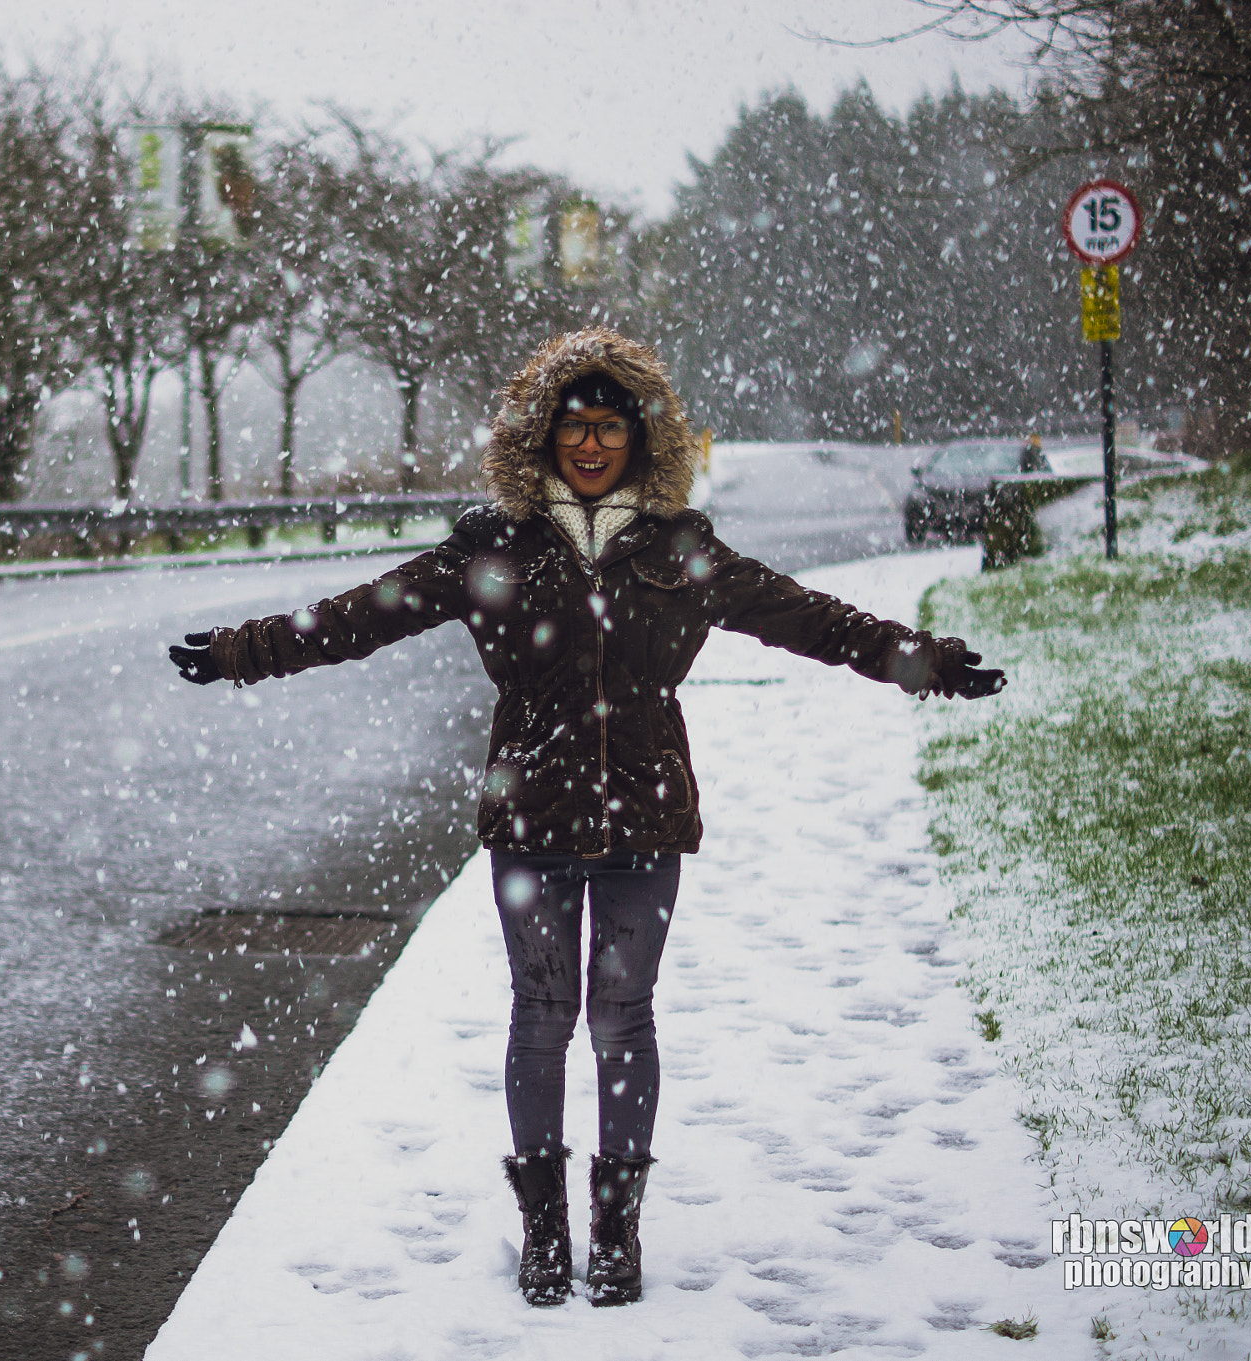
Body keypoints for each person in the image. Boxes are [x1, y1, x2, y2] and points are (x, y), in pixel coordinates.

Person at [166, 327, 1005, 1309]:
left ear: (640, 437)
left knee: (621, 1016)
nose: (593, 445)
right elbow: (366, 613)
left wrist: (926, 664)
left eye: (610, 427)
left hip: (646, 814)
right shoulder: (492, 545)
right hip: (528, 811)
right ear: (544, 438)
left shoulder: (679, 548)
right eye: (576, 428)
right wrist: (245, 651)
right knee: (541, 1015)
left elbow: (809, 618)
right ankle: (543, 1229)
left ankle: (613, 1227)